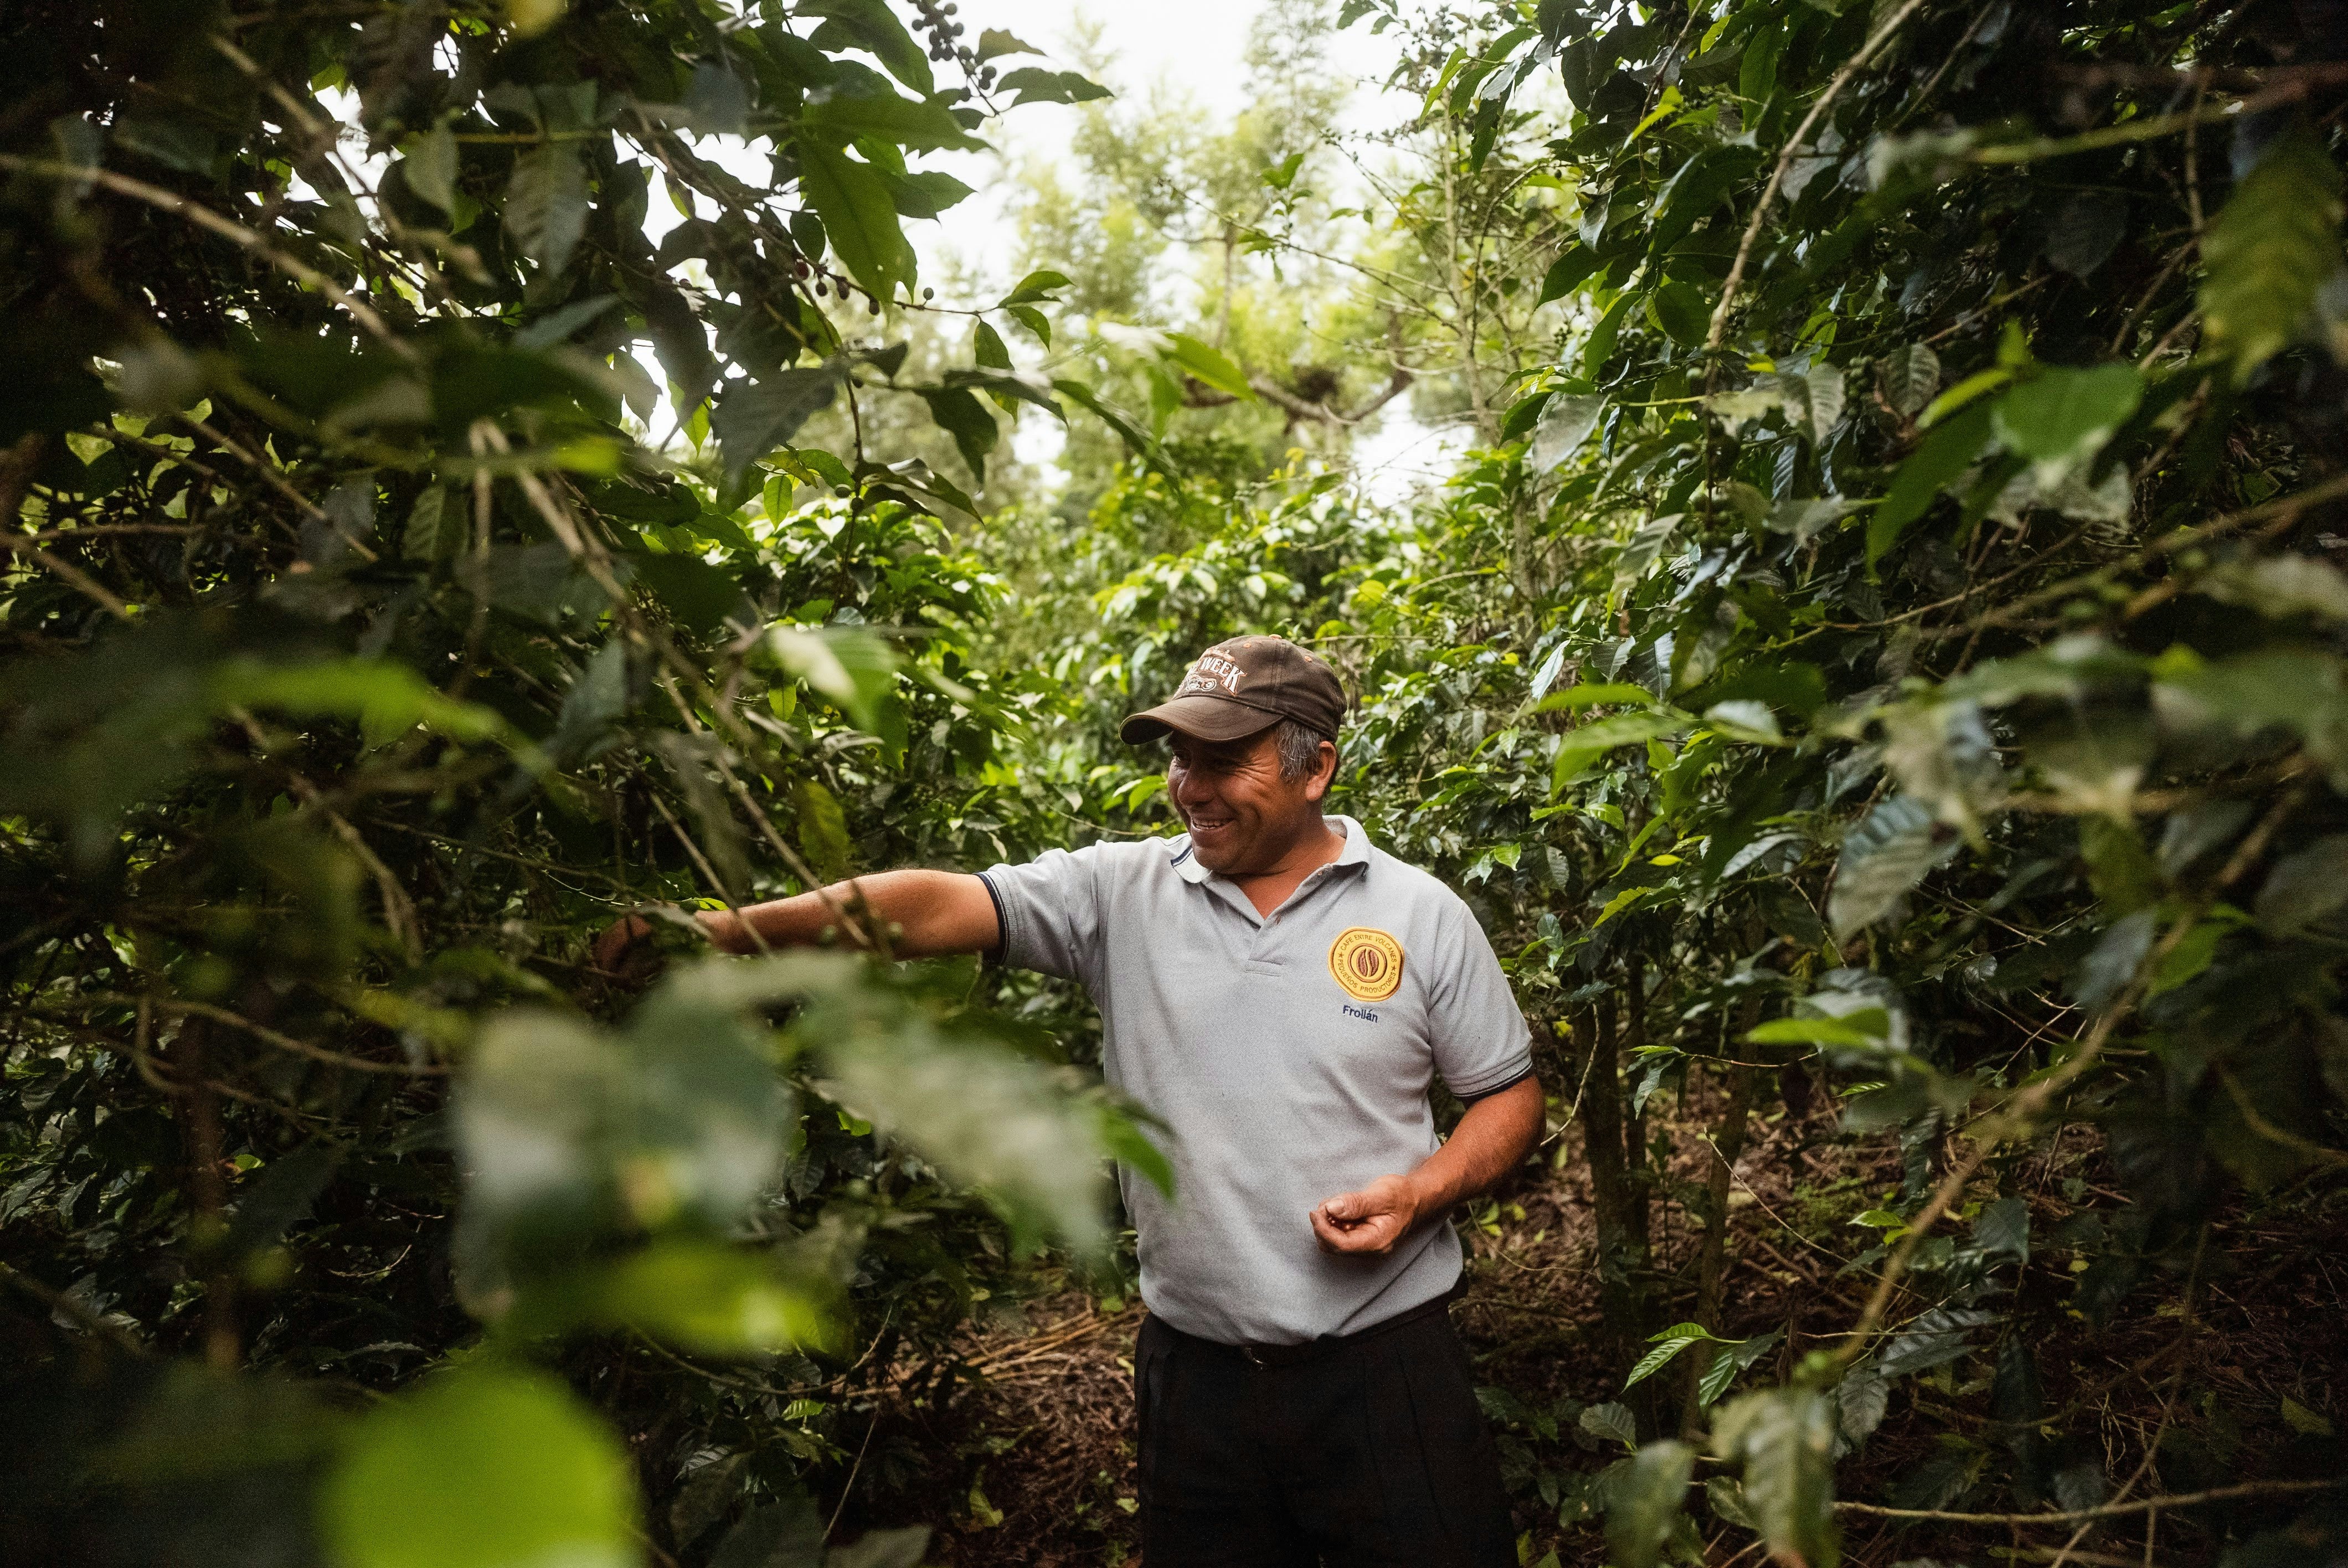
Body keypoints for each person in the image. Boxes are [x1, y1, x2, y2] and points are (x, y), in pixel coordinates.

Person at [596, 634, 1540, 1567]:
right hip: (1199, 1384)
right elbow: (929, 909)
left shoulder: (1420, 915)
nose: (1191, 787)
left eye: (1225, 761)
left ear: (1316, 767)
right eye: (1180, 757)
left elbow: (1507, 1095)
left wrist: (1419, 1192)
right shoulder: (1123, 894)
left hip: (1387, 1369)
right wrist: (723, 934)